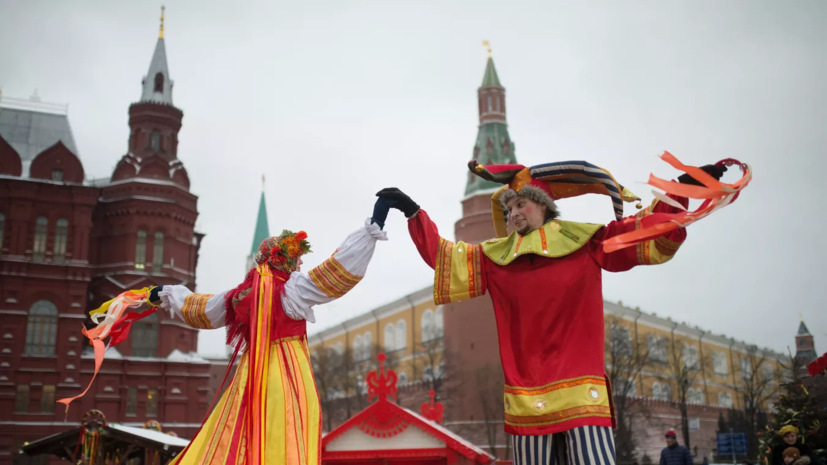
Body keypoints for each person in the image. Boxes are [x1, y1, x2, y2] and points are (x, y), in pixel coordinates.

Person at [375, 157, 735, 465]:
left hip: (582, 394)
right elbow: (443, 257)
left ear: (543, 205)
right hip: (526, 398)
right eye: (509, 208)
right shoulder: (496, 258)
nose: (513, 213)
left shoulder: (587, 241)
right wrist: (412, 211)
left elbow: (642, 232)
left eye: (521, 205)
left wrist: (682, 190)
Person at [146, 209, 389, 464]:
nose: (301, 264)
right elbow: (335, 273)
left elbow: (203, 309)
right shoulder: (293, 291)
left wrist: (167, 292)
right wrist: (373, 227)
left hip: (252, 374)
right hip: (289, 376)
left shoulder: (242, 295)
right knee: (287, 434)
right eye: (297, 259)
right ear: (283, 260)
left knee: (236, 432)